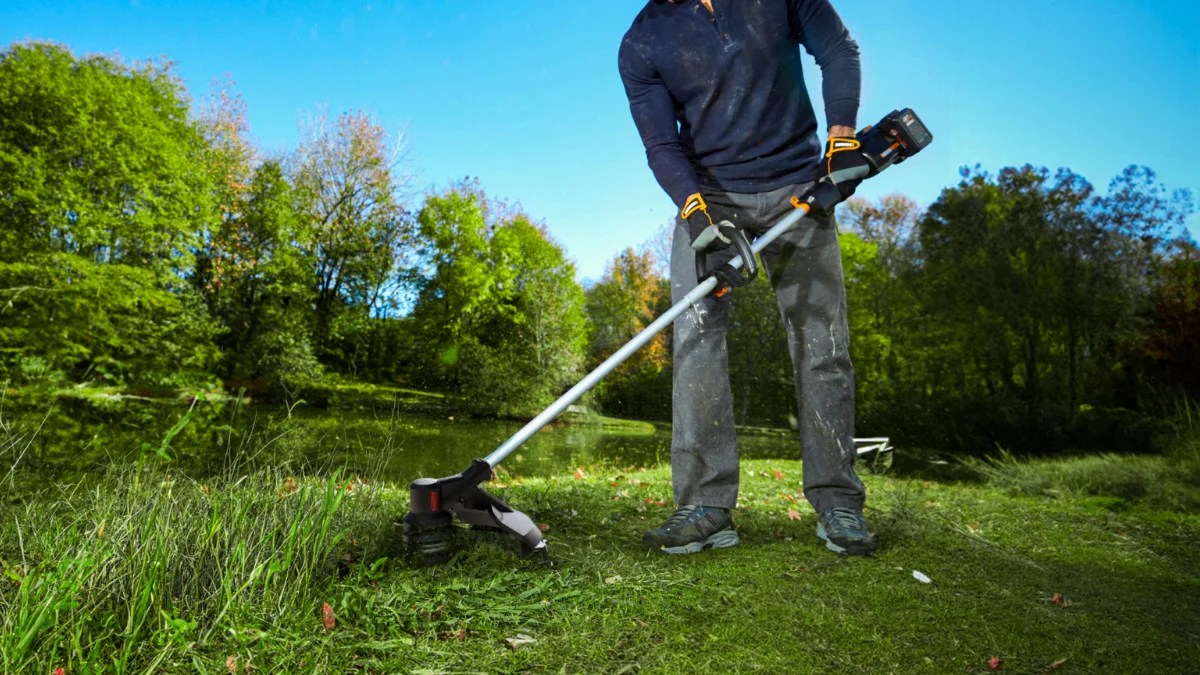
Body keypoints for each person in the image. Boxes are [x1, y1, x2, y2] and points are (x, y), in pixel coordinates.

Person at [618, 0, 876, 556]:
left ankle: (838, 503)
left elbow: (838, 49)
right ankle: (706, 507)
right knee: (694, 342)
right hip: (710, 200)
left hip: (799, 188)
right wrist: (698, 217)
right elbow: (662, 144)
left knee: (823, 345)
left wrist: (842, 136)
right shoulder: (641, 42)